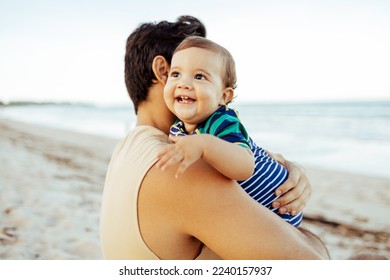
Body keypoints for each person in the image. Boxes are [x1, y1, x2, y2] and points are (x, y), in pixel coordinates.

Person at [100, 15, 329, 260]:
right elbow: (310, 261)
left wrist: (282, 169)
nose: (194, 82)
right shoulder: (180, 168)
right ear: (163, 71)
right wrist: (309, 239)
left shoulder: (128, 150)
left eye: (203, 75)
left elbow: (239, 155)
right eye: (185, 72)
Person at [157, 36, 302, 227]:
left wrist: (205, 145)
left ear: (223, 96)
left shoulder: (222, 120)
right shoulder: (177, 127)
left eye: (199, 77)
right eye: (176, 74)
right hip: (251, 212)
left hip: (278, 210)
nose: (184, 83)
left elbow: (244, 166)